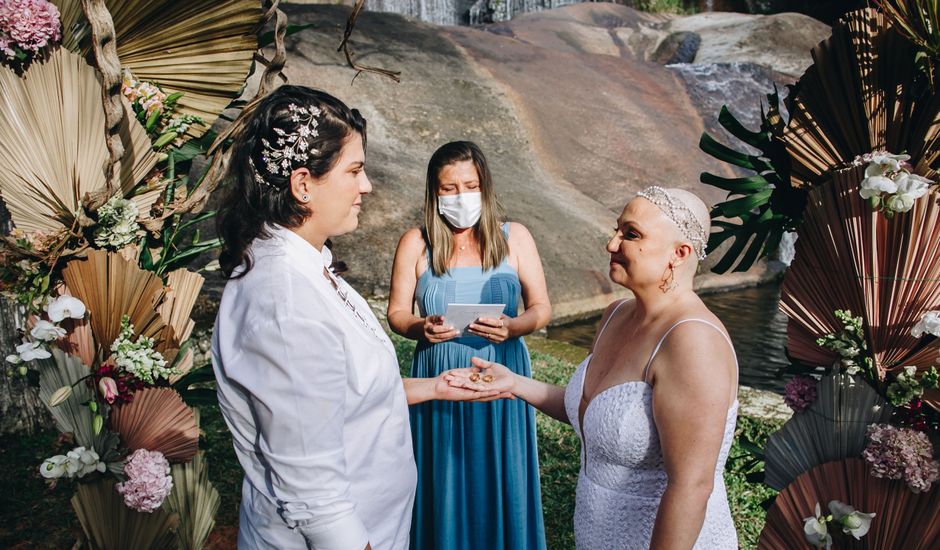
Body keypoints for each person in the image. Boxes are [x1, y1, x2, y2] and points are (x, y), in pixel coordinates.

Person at [211, 87, 498, 550]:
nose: (366, 186)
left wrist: (435, 386)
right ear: (303, 185)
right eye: (355, 170)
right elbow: (314, 494)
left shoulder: (311, 268)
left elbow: (335, 398)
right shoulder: (287, 305)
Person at [452, 186, 739, 549]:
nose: (611, 244)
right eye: (617, 230)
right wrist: (515, 383)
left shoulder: (693, 341)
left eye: (630, 235)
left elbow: (692, 487)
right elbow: (593, 411)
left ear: (678, 254)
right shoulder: (616, 315)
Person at [386, 141, 551, 549]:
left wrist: (513, 327)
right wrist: (420, 327)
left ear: (484, 186)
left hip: (501, 371)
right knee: (443, 474)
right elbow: (396, 314)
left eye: (470, 185)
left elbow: (542, 308)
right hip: (437, 377)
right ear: (434, 193)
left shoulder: (516, 237)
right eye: (449, 188)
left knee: (501, 471)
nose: (461, 196)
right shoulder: (416, 243)